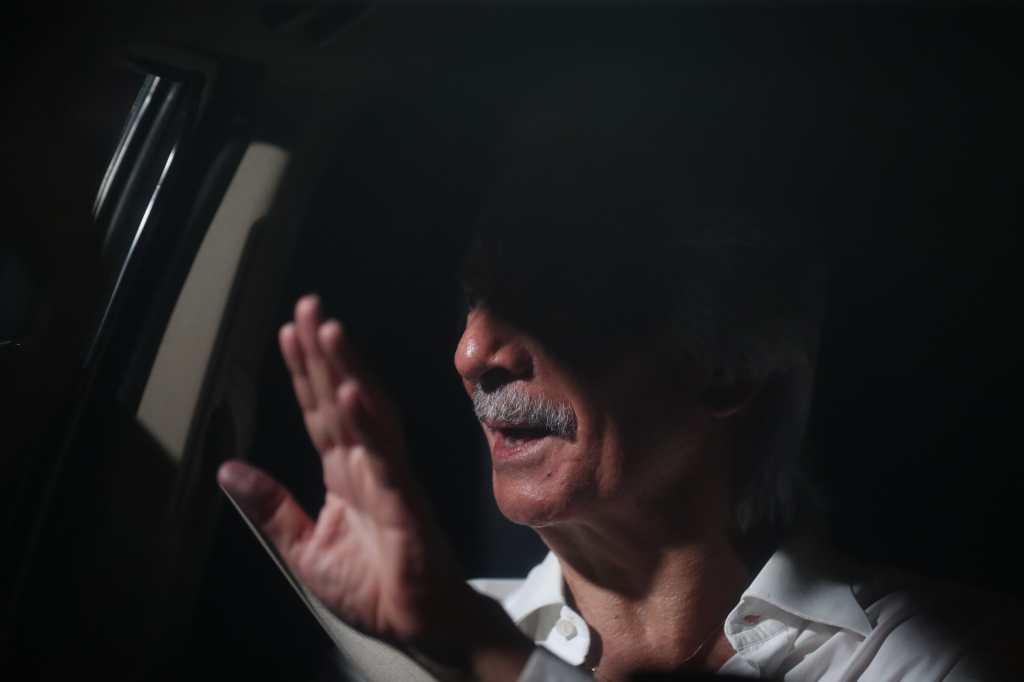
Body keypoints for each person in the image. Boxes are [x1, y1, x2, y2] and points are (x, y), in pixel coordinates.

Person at [217, 60, 1007, 681]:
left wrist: (477, 653)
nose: (472, 354)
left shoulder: (934, 658)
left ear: (728, 364)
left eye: (554, 297)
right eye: (479, 298)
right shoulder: (404, 640)